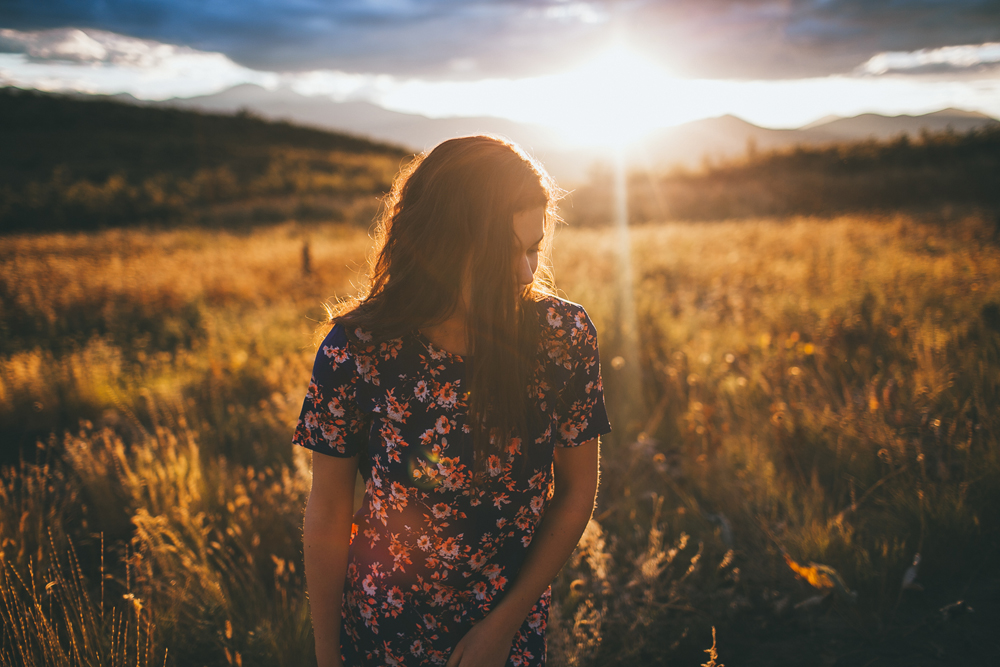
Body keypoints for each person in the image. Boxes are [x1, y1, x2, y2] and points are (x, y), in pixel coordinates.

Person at [294, 135, 611, 667]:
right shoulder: (358, 349)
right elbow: (328, 510)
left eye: (535, 248)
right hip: (380, 634)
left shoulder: (561, 335)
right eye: (506, 253)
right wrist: (328, 653)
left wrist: (502, 627)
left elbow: (578, 490)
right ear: (445, 244)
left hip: (508, 633)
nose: (527, 272)